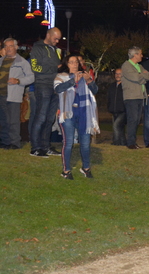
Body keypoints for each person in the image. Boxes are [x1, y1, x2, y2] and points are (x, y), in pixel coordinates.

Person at [54, 54, 99, 179]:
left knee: (85, 143)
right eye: (71, 62)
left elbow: (95, 91)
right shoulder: (61, 77)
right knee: (68, 143)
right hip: (68, 114)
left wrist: (89, 80)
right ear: (66, 64)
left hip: (84, 113)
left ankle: (86, 168)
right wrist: (74, 81)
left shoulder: (85, 77)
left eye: (76, 62)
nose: (74, 64)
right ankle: (66, 171)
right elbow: (58, 89)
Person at [29, 27, 63, 157]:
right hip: (43, 86)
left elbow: (57, 67)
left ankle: (46, 146)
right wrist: (54, 68)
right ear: (48, 35)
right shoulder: (37, 48)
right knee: (41, 117)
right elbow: (35, 67)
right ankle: (35, 148)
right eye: (55, 38)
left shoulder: (55, 49)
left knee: (50, 118)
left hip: (54, 86)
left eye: (58, 39)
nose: (57, 41)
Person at [0, 38, 35, 150]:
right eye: (6, 46)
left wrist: (18, 81)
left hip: (13, 95)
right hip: (1, 95)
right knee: (3, 120)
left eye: (10, 46)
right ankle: (5, 142)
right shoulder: (1, 60)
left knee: (13, 121)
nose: (8, 48)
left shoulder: (22, 62)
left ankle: (15, 143)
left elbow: (31, 77)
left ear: (16, 47)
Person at [121, 46, 149, 149]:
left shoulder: (139, 66)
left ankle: (132, 142)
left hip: (140, 96)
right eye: (140, 54)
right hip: (131, 97)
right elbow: (137, 78)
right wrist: (142, 76)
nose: (142, 56)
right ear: (135, 55)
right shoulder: (126, 66)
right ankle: (130, 143)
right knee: (132, 120)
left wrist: (140, 76)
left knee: (137, 120)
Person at [106, 68, 127, 146]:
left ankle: (116, 143)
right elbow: (109, 98)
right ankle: (123, 143)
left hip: (123, 111)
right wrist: (109, 107)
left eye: (119, 74)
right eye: (116, 74)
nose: (118, 75)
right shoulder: (112, 86)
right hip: (114, 110)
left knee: (116, 126)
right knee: (120, 128)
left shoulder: (126, 86)